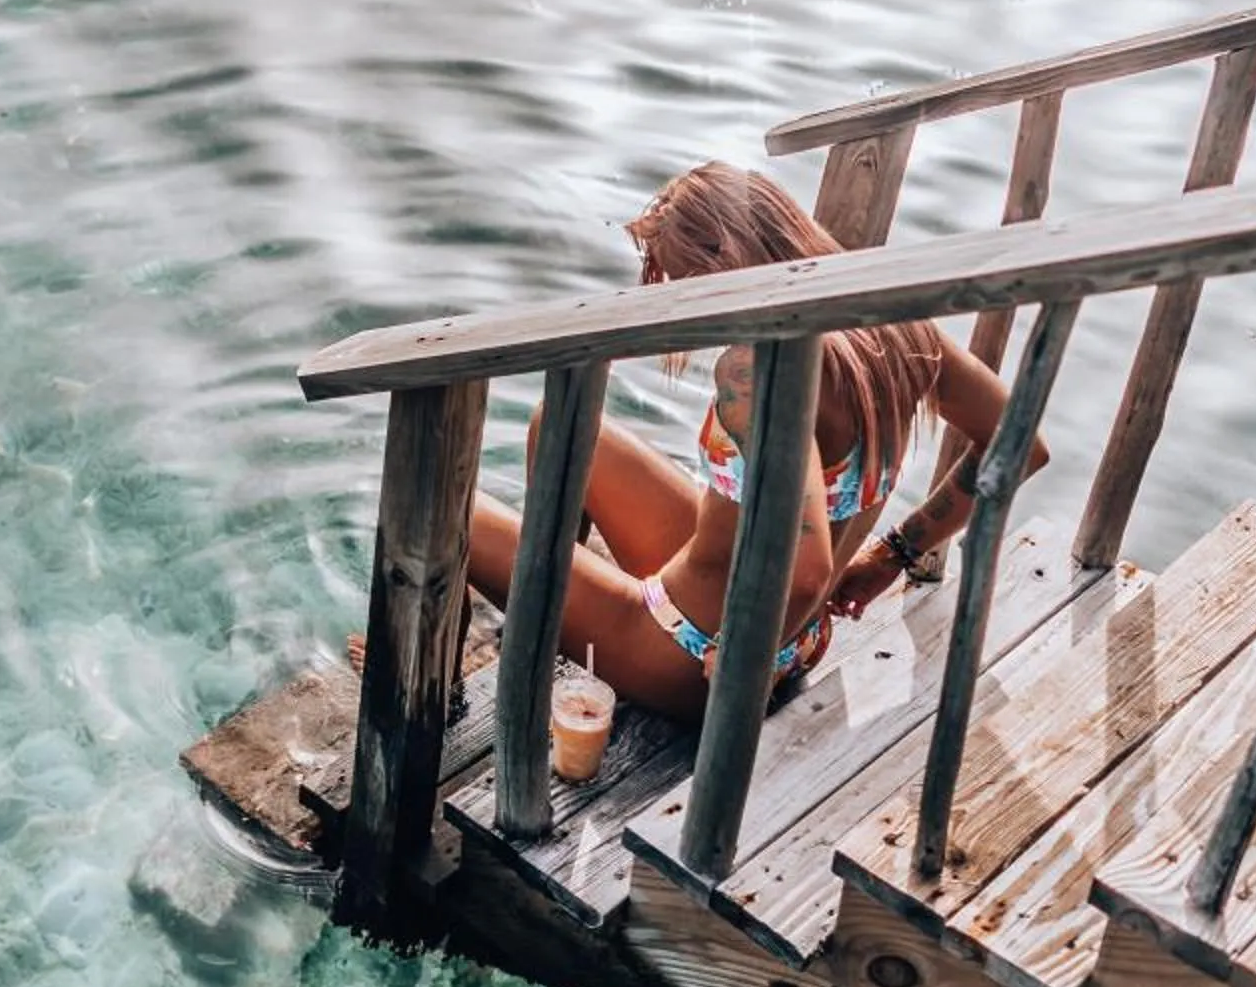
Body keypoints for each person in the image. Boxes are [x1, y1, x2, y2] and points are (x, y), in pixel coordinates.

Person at [375, 162, 1049, 724]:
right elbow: (1021, 442)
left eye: (680, 279)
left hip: (695, 656)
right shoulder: (897, 324)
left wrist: (739, 661)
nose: (676, 302)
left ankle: (431, 688)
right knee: (562, 430)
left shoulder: (757, 374)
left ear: (724, 261)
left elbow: (806, 570)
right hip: (800, 638)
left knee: (441, 510)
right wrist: (893, 555)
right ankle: (550, 611)